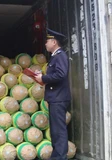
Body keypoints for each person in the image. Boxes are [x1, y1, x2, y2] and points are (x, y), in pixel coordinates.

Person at [35, 28, 71, 160]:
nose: (45, 44)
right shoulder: (56, 56)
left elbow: (61, 74)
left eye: (47, 41)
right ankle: (57, 156)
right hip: (56, 98)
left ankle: (60, 157)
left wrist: (44, 79)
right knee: (55, 130)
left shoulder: (60, 55)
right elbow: (55, 76)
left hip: (59, 98)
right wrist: (42, 78)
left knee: (59, 130)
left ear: (54, 42)